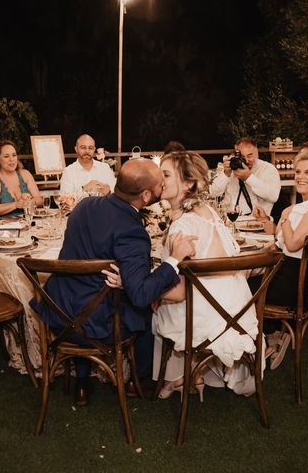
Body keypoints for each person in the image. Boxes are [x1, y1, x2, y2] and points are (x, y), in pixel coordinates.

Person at [32, 158, 197, 406]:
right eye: (160, 185)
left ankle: (82, 381)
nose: (164, 187)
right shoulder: (132, 231)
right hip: (95, 326)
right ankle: (140, 381)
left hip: (58, 313)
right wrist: (173, 260)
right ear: (145, 195)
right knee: (144, 308)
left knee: (88, 295)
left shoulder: (84, 206)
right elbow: (141, 293)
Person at [151, 150, 262, 398]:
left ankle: (178, 376)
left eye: (166, 175)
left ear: (188, 183)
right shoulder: (208, 212)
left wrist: (150, 293)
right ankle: (192, 373)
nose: (159, 180)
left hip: (208, 321)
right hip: (237, 312)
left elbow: (179, 293)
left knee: (156, 308)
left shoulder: (182, 226)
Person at [248, 145, 308, 369]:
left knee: (239, 289)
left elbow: (292, 242)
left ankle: (257, 345)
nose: (300, 177)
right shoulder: (303, 207)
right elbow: (282, 236)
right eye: (298, 172)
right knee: (244, 281)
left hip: (297, 283)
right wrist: (268, 221)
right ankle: (273, 336)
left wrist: (285, 218)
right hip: (288, 271)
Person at [209, 136, 280, 216]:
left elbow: (273, 196)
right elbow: (213, 194)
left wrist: (249, 178)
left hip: (255, 222)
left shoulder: (268, 169)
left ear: (257, 153)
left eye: (250, 156)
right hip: (229, 219)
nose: (246, 160)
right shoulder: (232, 166)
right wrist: (226, 174)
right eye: (242, 157)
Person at [0, 140, 44, 224]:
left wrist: (29, 202)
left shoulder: (25, 174)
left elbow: (39, 200)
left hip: (22, 224)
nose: (12, 159)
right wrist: (16, 204)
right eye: (6, 156)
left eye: (14, 155)